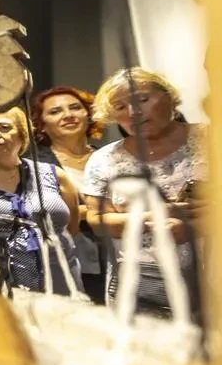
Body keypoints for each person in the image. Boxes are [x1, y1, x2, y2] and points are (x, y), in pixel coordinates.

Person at [83, 68, 206, 316]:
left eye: (142, 99)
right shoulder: (104, 159)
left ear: (168, 96)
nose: (133, 112)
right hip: (141, 286)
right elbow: (97, 220)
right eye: (119, 107)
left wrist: (196, 228)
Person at [0, 106, 82, 295]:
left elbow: (71, 228)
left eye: (3, 127)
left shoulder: (55, 176)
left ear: (22, 134)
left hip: (59, 285)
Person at [31, 86, 108, 301]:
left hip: (123, 256)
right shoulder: (36, 166)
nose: (68, 115)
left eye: (75, 108)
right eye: (55, 112)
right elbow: (47, 214)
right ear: (42, 125)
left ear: (88, 115)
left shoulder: (112, 156)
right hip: (72, 261)